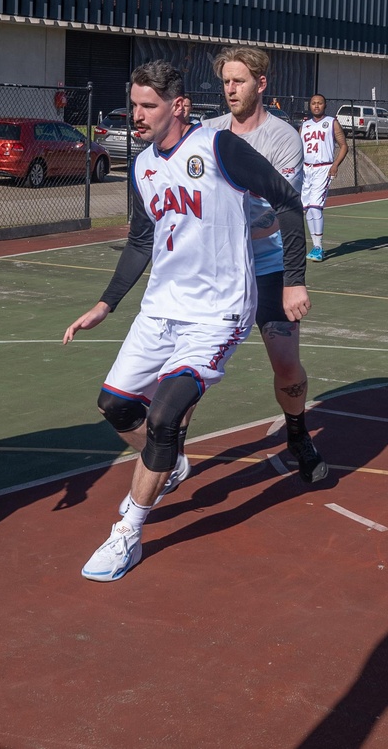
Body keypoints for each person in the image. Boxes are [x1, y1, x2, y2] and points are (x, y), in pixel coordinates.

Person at [63, 60, 309, 582]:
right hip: (160, 309)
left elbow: (288, 201)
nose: (136, 115)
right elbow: (139, 241)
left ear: (177, 106)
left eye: (147, 106)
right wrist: (105, 303)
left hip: (217, 312)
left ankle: (128, 531)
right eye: (133, 105)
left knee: (165, 416)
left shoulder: (217, 148)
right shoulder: (142, 164)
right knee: (115, 406)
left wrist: (292, 279)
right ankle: (170, 464)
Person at [198, 47, 328, 483]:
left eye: (239, 81)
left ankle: (297, 435)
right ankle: (169, 449)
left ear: (261, 84)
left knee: (286, 365)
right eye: (226, 82)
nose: (230, 90)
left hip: (269, 269)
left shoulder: (282, 138)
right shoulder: (210, 132)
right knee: (189, 366)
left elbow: (275, 213)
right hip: (219, 272)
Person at [299, 93, 348, 262]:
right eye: (313, 103)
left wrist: (335, 165)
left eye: (320, 103)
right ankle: (316, 246)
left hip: (323, 168)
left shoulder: (332, 123)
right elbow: (298, 149)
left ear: (325, 105)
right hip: (306, 170)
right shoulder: (304, 125)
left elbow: (344, 146)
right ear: (310, 106)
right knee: (307, 209)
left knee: (315, 207)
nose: (316, 106)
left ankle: (318, 247)